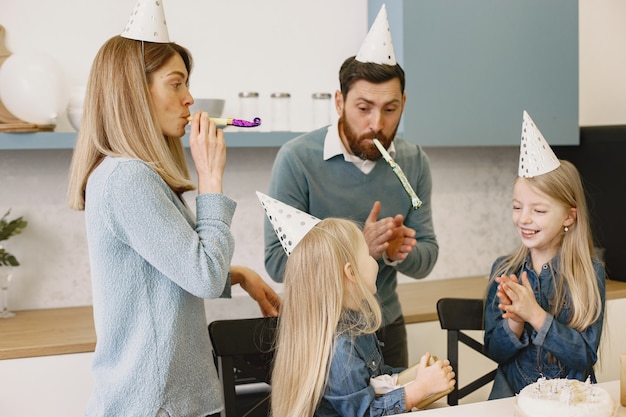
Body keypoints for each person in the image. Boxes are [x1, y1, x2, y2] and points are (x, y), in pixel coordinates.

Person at [67, 3, 280, 416]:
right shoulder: (127, 178)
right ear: (135, 90)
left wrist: (242, 276)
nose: (189, 98)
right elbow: (202, 275)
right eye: (176, 84)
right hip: (157, 404)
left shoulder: (130, 175)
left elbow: (168, 272)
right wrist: (211, 179)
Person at [263, 4, 437, 368]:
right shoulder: (297, 160)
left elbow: (426, 259)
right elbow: (278, 264)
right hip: (318, 332)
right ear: (339, 102)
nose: (377, 123)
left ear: (404, 104)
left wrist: (394, 251)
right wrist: (360, 245)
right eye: (364, 107)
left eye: (390, 109)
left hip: (387, 327)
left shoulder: (413, 160)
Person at [265, 214, 455, 416]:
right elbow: (364, 412)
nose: (374, 260)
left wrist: (416, 377)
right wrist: (418, 390)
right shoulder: (341, 347)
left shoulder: (356, 327)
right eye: (367, 254)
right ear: (351, 273)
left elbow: (376, 379)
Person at [484, 112, 606, 399]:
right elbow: (495, 351)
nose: (524, 219)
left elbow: (585, 355)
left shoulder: (589, 272)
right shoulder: (504, 269)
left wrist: (535, 315)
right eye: (517, 207)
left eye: (538, 210)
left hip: (571, 401)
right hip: (512, 397)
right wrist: (514, 321)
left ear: (569, 216)